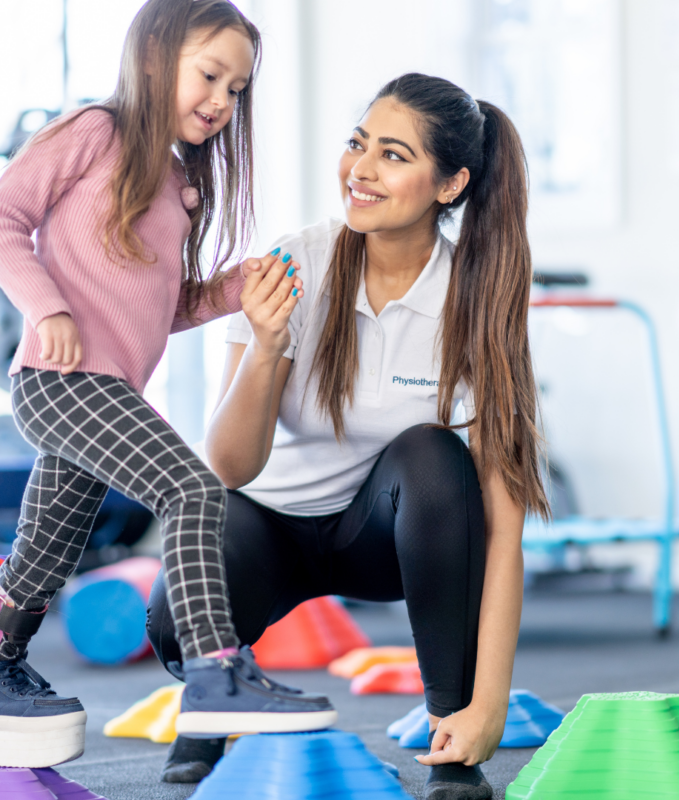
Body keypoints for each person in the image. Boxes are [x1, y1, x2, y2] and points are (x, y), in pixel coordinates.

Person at [147, 72, 550, 797]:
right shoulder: (296, 263)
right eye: (358, 144)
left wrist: (488, 703)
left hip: (383, 540)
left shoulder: (476, 297)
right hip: (266, 524)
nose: (360, 169)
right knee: (174, 615)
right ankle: (214, 696)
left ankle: (450, 732)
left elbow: (504, 527)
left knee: (434, 456)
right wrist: (267, 346)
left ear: (450, 184)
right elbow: (229, 468)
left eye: (393, 155)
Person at [0, 0, 335, 771]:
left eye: (236, 89)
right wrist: (47, 307)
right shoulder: (93, 132)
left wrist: (231, 288)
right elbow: (6, 216)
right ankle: (218, 673)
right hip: (61, 380)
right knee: (193, 489)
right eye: (209, 75)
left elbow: (161, 306)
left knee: (47, 548)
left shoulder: (177, 183)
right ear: (154, 57)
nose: (221, 101)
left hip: (102, 389)